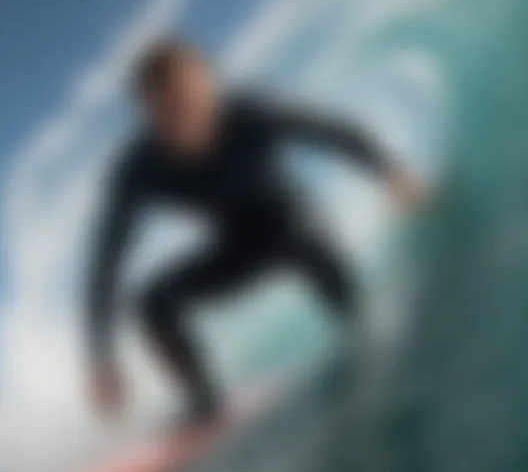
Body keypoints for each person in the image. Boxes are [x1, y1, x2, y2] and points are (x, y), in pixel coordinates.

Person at [86, 39, 424, 423]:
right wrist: (100, 353)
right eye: (167, 113)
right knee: (151, 302)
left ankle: (364, 327)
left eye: (190, 101)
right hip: (237, 247)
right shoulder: (138, 168)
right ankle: (204, 401)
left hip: (294, 224)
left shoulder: (250, 113)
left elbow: (334, 131)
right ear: (149, 115)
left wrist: (390, 171)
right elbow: (106, 261)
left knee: (315, 259)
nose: (183, 120)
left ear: (209, 87)